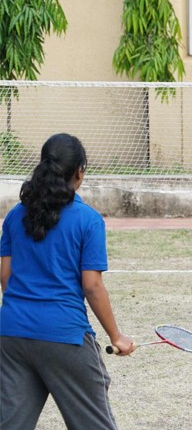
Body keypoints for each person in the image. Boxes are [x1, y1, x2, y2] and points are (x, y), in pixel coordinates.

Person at [0, 133, 134, 429]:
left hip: (11, 334)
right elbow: (92, 285)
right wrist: (116, 337)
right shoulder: (88, 220)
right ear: (80, 171)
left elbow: (6, 278)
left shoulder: (14, 216)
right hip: (64, 336)